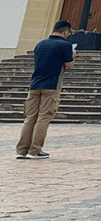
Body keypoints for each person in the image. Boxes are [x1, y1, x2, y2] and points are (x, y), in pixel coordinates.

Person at [16, 19, 74, 160]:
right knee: (44, 117)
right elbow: (69, 65)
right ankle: (35, 150)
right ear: (66, 31)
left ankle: (22, 150)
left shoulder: (40, 44)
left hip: (35, 84)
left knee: (30, 117)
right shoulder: (65, 45)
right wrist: (73, 55)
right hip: (52, 85)